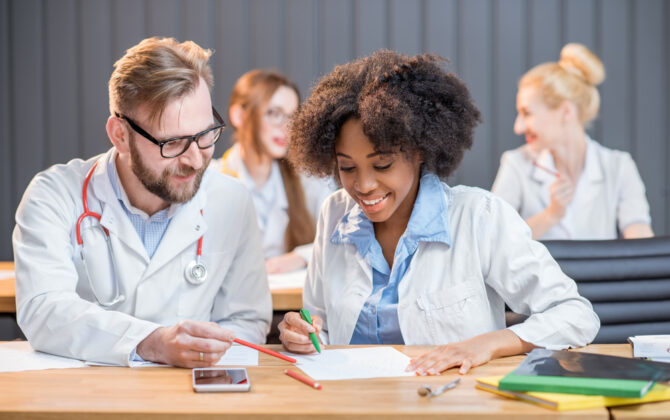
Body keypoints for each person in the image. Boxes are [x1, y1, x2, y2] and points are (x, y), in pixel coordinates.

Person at [277, 50, 599, 375]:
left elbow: (575, 315)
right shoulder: (335, 213)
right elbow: (320, 324)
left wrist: (486, 344)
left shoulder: (478, 217)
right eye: (347, 167)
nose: (363, 184)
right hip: (351, 402)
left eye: (382, 164)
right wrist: (304, 333)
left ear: (419, 150)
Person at [12, 37, 272, 367]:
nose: (195, 159)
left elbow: (246, 321)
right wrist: (152, 343)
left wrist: (206, 354)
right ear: (120, 134)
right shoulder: (54, 195)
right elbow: (44, 308)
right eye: (173, 142)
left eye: (206, 134)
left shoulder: (231, 200)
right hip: (86, 397)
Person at [491, 43, 653, 240]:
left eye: (527, 113)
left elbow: (641, 241)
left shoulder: (618, 166)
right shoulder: (515, 164)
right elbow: (494, 240)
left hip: (600, 272)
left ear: (566, 111)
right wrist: (551, 215)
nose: (518, 127)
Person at [210, 70, 334, 274]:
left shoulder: (308, 179)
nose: (287, 128)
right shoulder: (211, 179)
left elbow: (340, 237)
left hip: (291, 303)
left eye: (292, 117)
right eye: (274, 113)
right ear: (239, 115)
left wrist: (299, 257)